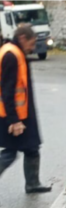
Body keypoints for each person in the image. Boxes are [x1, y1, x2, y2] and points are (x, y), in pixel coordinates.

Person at [0, 24, 51, 194]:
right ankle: (32, 183)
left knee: (31, 148)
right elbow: (7, 91)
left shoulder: (14, 52)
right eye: (32, 43)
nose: (33, 47)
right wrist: (14, 121)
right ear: (22, 38)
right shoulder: (11, 55)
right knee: (10, 153)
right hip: (12, 115)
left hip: (22, 114)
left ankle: (32, 183)